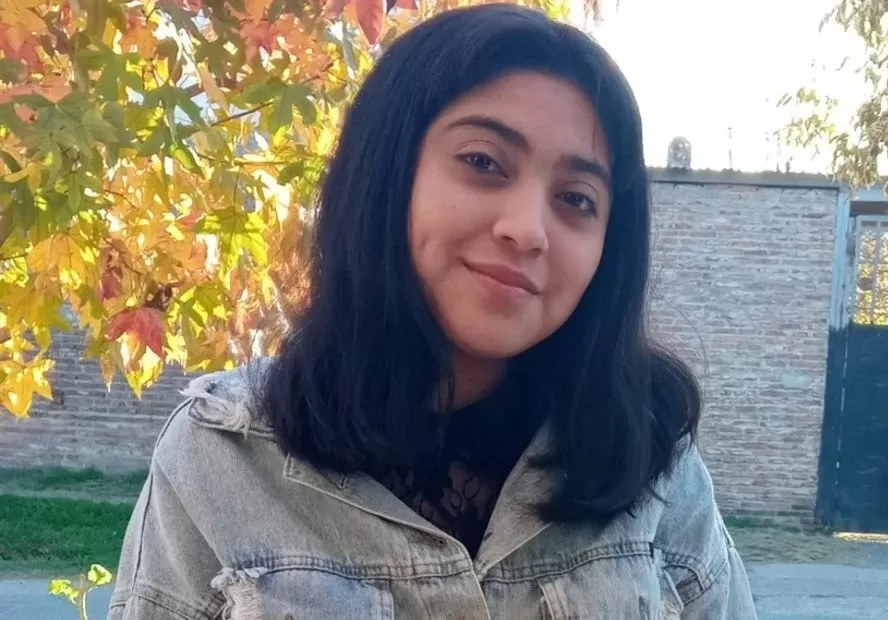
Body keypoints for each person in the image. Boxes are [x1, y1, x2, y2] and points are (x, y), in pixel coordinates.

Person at [107, 4, 757, 619]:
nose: (528, 229)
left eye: (576, 199)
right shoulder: (222, 454)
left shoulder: (647, 456)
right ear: (387, 173)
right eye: (483, 162)